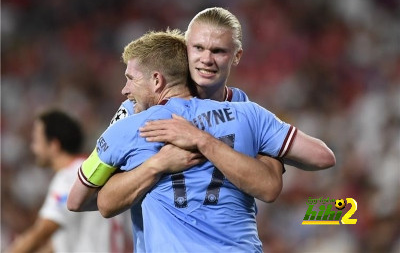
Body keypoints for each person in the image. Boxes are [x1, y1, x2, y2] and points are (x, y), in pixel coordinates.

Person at [68, 29, 334, 252]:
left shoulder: (129, 126)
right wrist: (269, 150)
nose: (125, 90)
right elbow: (323, 157)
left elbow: (80, 201)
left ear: (157, 80)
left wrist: (155, 166)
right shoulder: (247, 113)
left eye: (130, 79)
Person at [97, 7, 335, 217]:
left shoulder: (243, 108)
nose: (206, 59)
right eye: (198, 48)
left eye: (218, 51)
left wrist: (267, 154)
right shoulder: (138, 107)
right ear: (185, 49)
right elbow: (89, 196)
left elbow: (322, 158)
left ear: (237, 56)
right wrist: (158, 164)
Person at [7, 109, 132, 253]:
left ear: (54, 145)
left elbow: (41, 232)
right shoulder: (91, 170)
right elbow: (63, 242)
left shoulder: (69, 178)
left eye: (36, 141)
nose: (33, 148)